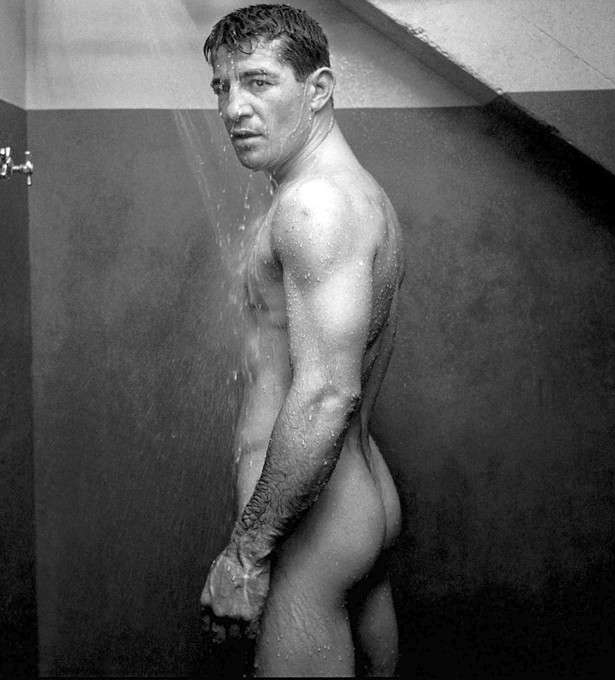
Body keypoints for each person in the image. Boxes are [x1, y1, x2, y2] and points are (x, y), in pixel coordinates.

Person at [199, 4, 405, 676]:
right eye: (222, 87)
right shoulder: (354, 192)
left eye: (258, 82)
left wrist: (246, 552)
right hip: (355, 495)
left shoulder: (316, 206)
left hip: (315, 526)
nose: (233, 108)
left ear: (318, 89)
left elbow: (324, 395)